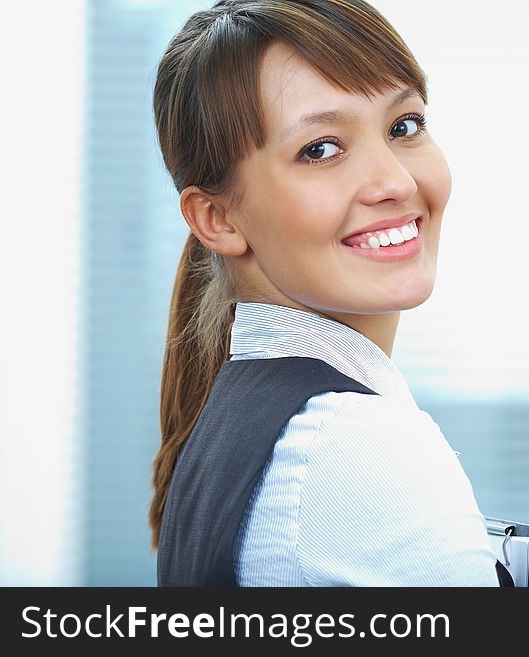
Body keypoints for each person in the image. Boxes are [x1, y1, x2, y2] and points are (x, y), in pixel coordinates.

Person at [148, 0, 508, 586]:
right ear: (217, 218)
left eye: (404, 126)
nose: (396, 181)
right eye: (321, 149)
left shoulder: (241, 425)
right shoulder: (356, 446)